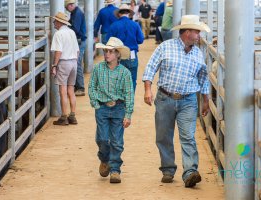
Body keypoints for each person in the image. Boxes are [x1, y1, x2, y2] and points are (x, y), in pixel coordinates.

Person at [142, 15, 211, 187]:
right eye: (197, 32)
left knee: (188, 136)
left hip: (188, 100)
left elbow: (203, 78)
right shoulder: (166, 47)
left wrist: (206, 101)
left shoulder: (198, 53)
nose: (199, 36)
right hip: (165, 98)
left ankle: (190, 172)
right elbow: (150, 67)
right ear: (187, 32)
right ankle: (167, 169)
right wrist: (147, 89)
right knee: (163, 136)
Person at [88, 37, 134, 184]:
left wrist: (128, 114)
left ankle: (115, 170)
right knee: (102, 139)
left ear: (118, 54)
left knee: (117, 141)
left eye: (111, 51)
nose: (107, 54)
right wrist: (95, 103)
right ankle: (104, 159)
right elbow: (92, 87)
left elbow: (129, 94)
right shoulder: (98, 68)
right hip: (102, 107)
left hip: (118, 108)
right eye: (106, 51)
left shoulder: (125, 73)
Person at [50, 12, 80, 125]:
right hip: (73, 62)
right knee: (71, 90)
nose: (53, 23)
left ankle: (63, 117)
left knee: (62, 91)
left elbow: (58, 51)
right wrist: (74, 62)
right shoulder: (71, 32)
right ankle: (72, 116)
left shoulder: (58, 34)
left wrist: (54, 65)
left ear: (59, 22)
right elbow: (77, 51)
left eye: (54, 21)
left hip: (64, 62)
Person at [106, 4, 144, 91]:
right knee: (132, 80)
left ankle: (119, 101)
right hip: (132, 55)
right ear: (129, 13)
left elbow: (108, 42)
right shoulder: (135, 25)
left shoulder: (114, 25)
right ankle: (130, 101)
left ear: (119, 14)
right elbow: (140, 40)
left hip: (117, 55)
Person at [65, 0, 87, 96]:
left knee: (77, 64)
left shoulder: (77, 13)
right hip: (79, 41)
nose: (68, 8)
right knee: (76, 63)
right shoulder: (75, 12)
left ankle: (80, 87)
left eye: (67, 6)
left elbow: (75, 29)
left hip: (79, 41)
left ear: (70, 5)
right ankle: (77, 86)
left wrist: (65, 30)